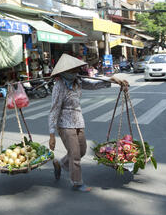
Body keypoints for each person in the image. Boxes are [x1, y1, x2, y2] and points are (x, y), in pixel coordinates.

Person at [48, 53, 128, 192]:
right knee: (75, 154)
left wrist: (111, 80)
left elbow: (93, 84)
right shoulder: (59, 86)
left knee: (82, 150)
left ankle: (61, 164)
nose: (75, 72)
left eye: (76, 70)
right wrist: (52, 134)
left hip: (78, 121)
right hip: (65, 124)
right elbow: (54, 110)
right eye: (72, 70)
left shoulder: (78, 81)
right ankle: (77, 182)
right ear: (65, 72)